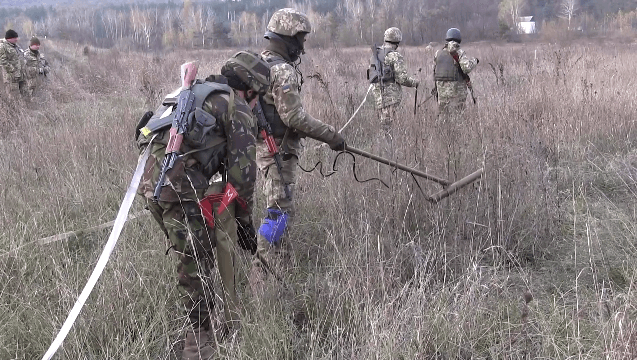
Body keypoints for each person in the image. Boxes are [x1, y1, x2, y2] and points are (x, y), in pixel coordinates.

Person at [135, 51, 269, 360]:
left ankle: (205, 316)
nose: (256, 103)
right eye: (257, 96)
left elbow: (149, 131)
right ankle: (200, 341)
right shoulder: (236, 108)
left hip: (148, 185)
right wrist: (245, 223)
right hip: (178, 188)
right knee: (196, 264)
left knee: (191, 255)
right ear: (249, 89)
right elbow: (242, 178)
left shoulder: (191, 91)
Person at [251, 8, 345, 281]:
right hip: (278, 154)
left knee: (280, 211)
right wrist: (331, 136)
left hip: (263, 152)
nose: (302, 47)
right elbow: (294, 117)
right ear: (287, 38)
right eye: (301, 39)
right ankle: (263, 275)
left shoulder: (260, 62)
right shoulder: (282, 71)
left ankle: (281, 264)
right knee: (277, 216)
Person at [369, 27, 420, 153]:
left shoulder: (376, 53)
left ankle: (383, 151)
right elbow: (402, 78)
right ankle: (389, 153)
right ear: (397, 41)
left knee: (384, 124)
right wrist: (414, 83)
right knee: (389, 128)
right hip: (390, 97)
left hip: (378, 95)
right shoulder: (395, 56)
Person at [433, 28, 479, 117]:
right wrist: (474, 61)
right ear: (458, 38)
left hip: (441, 89)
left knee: (443, 114)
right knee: (458, 115)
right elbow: (466, 68)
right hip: (457, 89)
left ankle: (442, 130)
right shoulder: (459, 51)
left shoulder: (438, 52)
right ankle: (457, 131)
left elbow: (434, 70)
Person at [0, 29, 25, 97]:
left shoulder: (15, 46)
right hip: (11, 77)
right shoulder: (2, 46)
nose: (16, 39)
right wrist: (13, 70)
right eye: (15, 38)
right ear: (9, 38)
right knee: (14, 97)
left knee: (23, 96)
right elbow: (3, 61)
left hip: (20, 76)